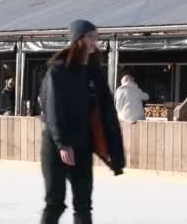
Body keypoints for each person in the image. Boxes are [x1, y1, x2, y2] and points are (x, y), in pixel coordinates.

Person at [40, 19, 125, 224]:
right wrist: (63, 144)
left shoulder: (94, 73)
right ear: (78, 39)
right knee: (56, 202)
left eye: (95, 36)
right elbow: (53, 110)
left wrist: (115, 151)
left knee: (84, 204)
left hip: (83, 145)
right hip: (56, 145)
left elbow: (107, 112)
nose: (94, 41)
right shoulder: (58, 71)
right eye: (90, 36)